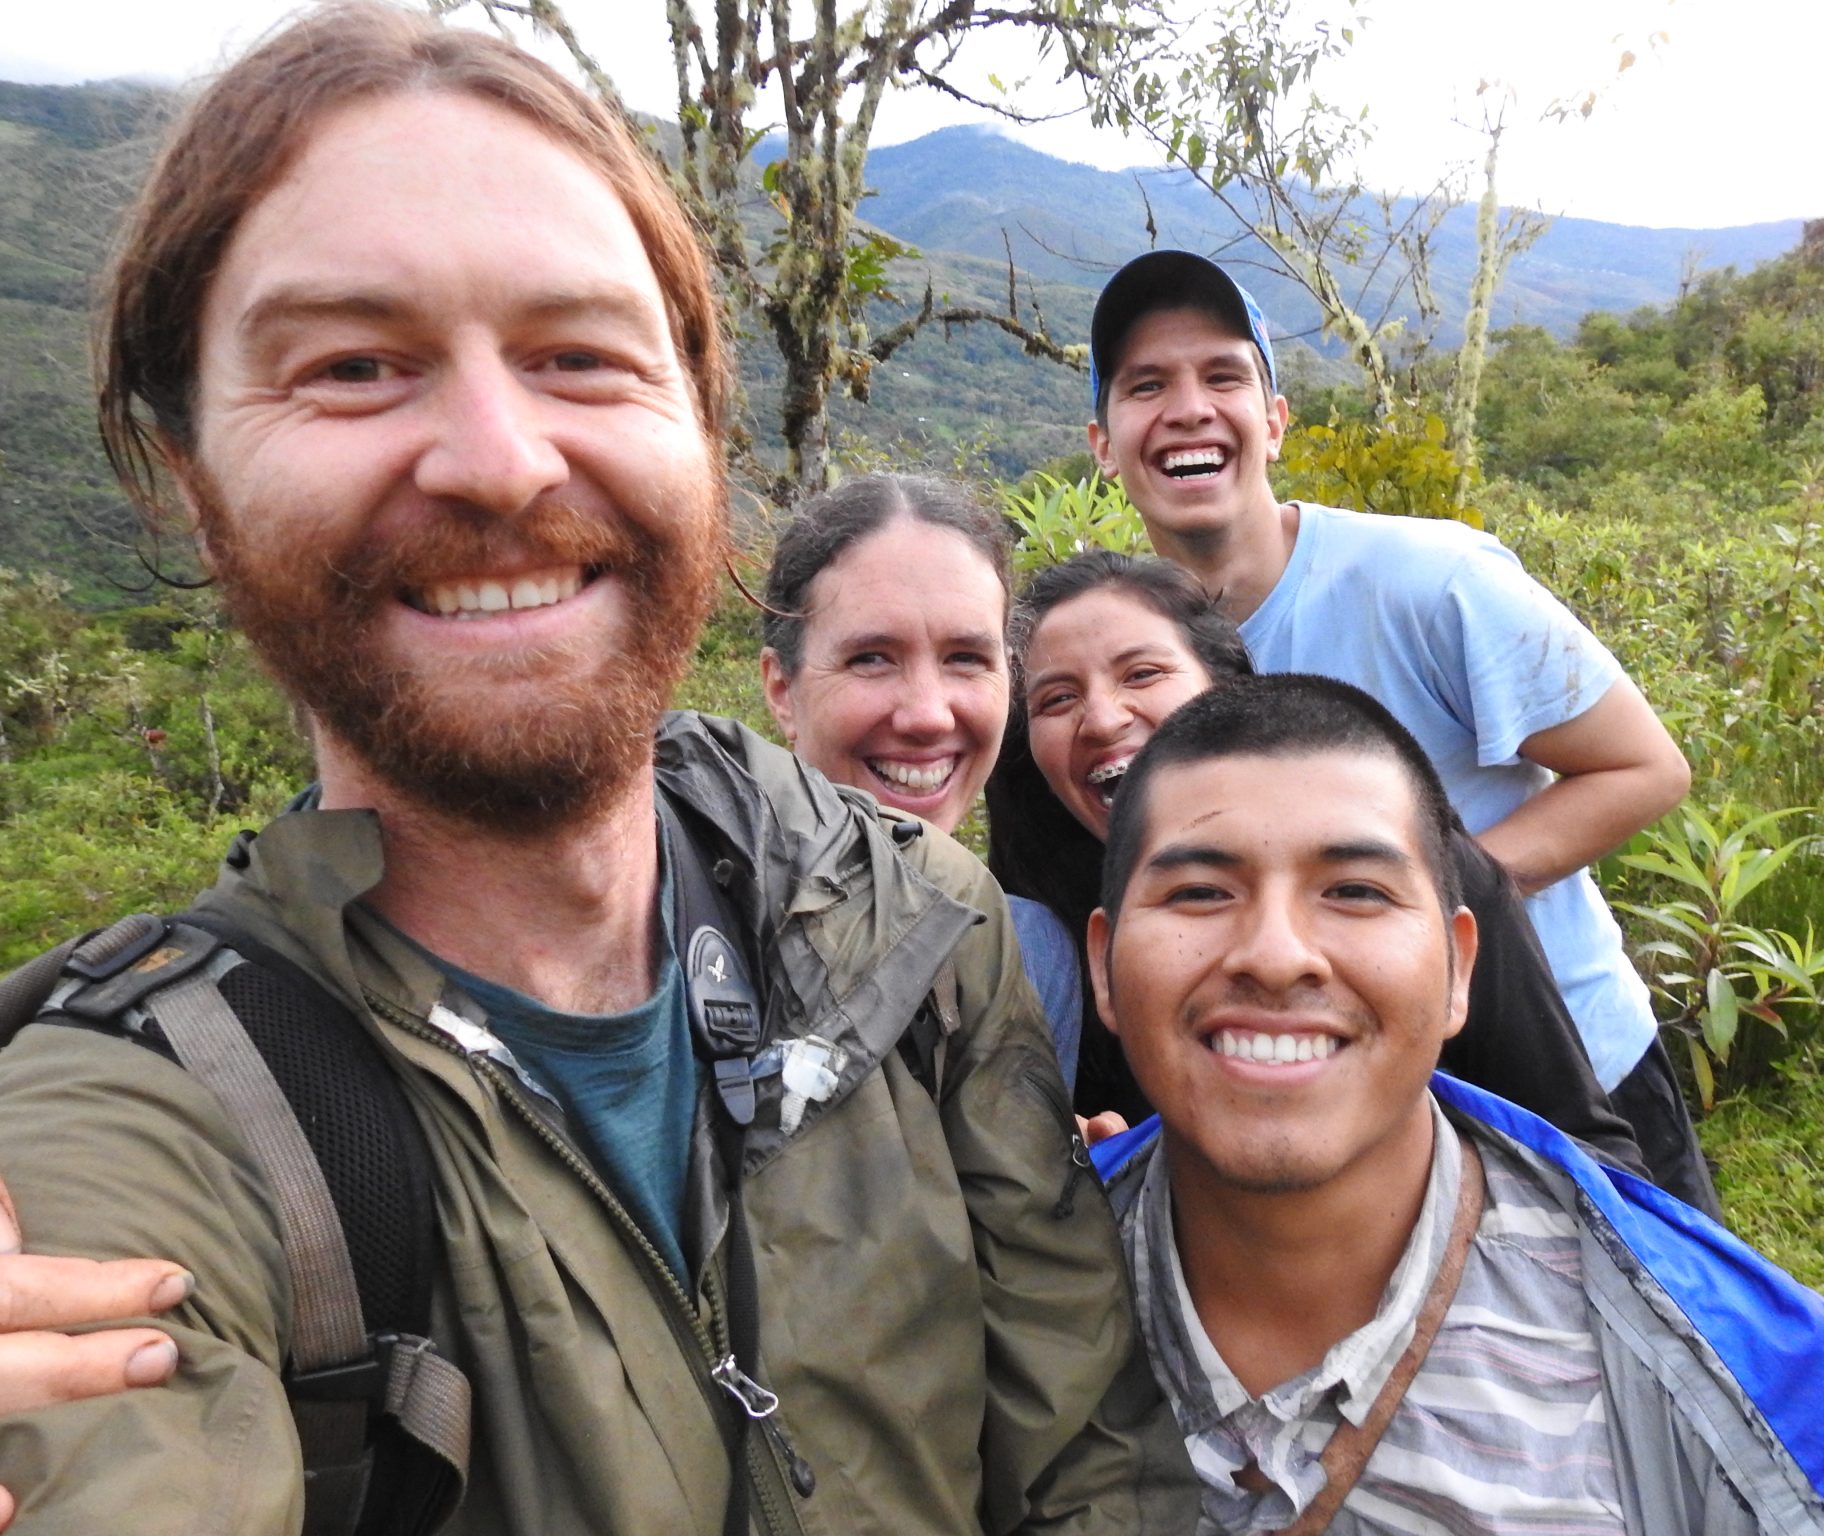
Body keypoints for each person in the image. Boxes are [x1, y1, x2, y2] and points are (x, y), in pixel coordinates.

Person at [0, 7, 1173, 1531]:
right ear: (189, 486)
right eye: (353, 366)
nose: (501, 458)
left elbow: (1090, 1464)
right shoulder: (147, 1116)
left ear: (702, 422)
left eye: (580, 356)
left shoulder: (912, 925)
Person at [1085, 673, 1824, 1536]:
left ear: (1459, 969)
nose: (1277, 956)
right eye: (1200, 891)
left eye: (1355, 891)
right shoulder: (1008, 1281)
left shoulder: (1730, 1377)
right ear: (1103, 967)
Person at [1083, 248, 1718, 1215]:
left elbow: (1642, 767)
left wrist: (1427, 900)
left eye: (1224, 376)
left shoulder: (1428, 582)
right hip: (1353, 1109)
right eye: (1146, 386)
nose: (1188, 408)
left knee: (1674, 1341)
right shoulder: (1136, 658)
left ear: (1276, 419)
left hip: (1568, 1077)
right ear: (1103, 441)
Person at [986, 551, 1646, 1176]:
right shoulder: (1037, 939)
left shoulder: (1418, 868)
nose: (1101, 718)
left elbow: (1584, 1149)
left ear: (1226, 689)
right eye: (1056, 699)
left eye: (1142, 674)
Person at [757, 474, 1081, 1088]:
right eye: (871, 658)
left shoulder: (1026, 950)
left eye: (966, 658)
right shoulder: (695, 933)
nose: (930, 714)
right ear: (782, 690)